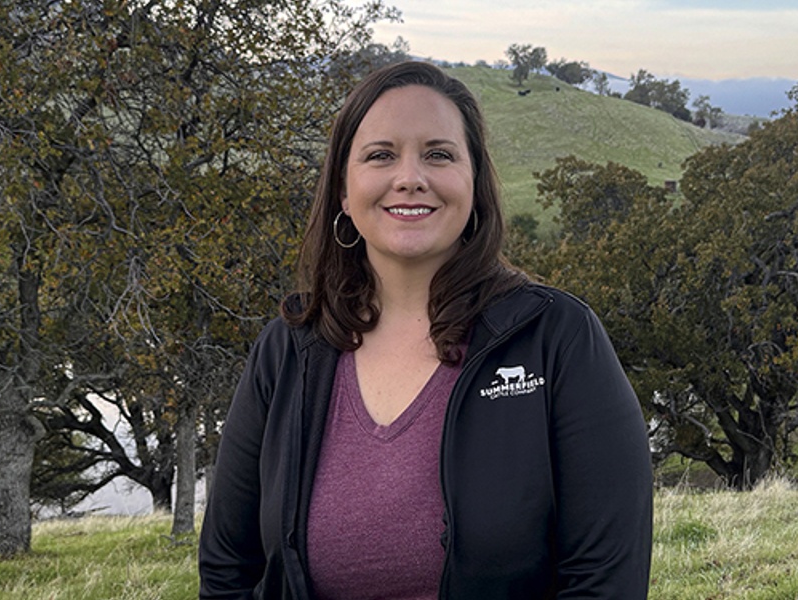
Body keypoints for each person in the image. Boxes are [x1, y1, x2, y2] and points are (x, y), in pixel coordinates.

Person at [199, 61, 652, 600]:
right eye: (380, 155)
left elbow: (606, 581)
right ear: (344, 190)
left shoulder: (557, 339)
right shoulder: (287, 350)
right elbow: (228, 570)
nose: (410, 176)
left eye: (438, 154)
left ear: (474, 183)